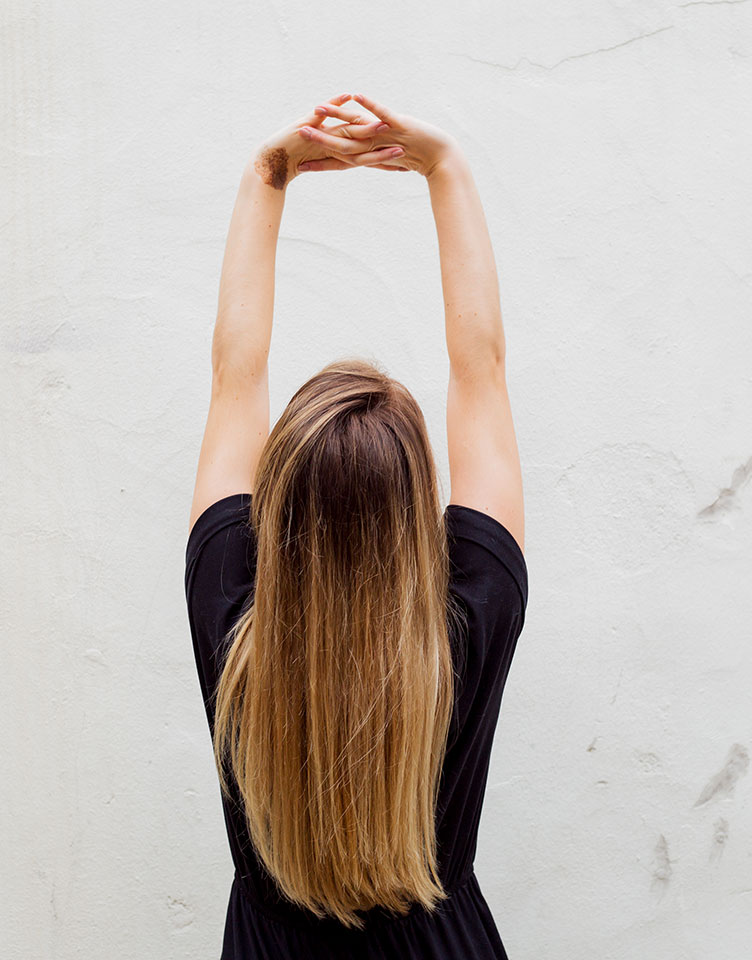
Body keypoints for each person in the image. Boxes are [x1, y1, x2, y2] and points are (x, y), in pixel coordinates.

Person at [184, 92, 528, 959]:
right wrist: (442, 169)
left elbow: (235, 376)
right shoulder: (470, 609)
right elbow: (479, 371)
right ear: (419, 512)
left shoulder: (231, 614)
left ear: (276, 502)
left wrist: (270, 178)